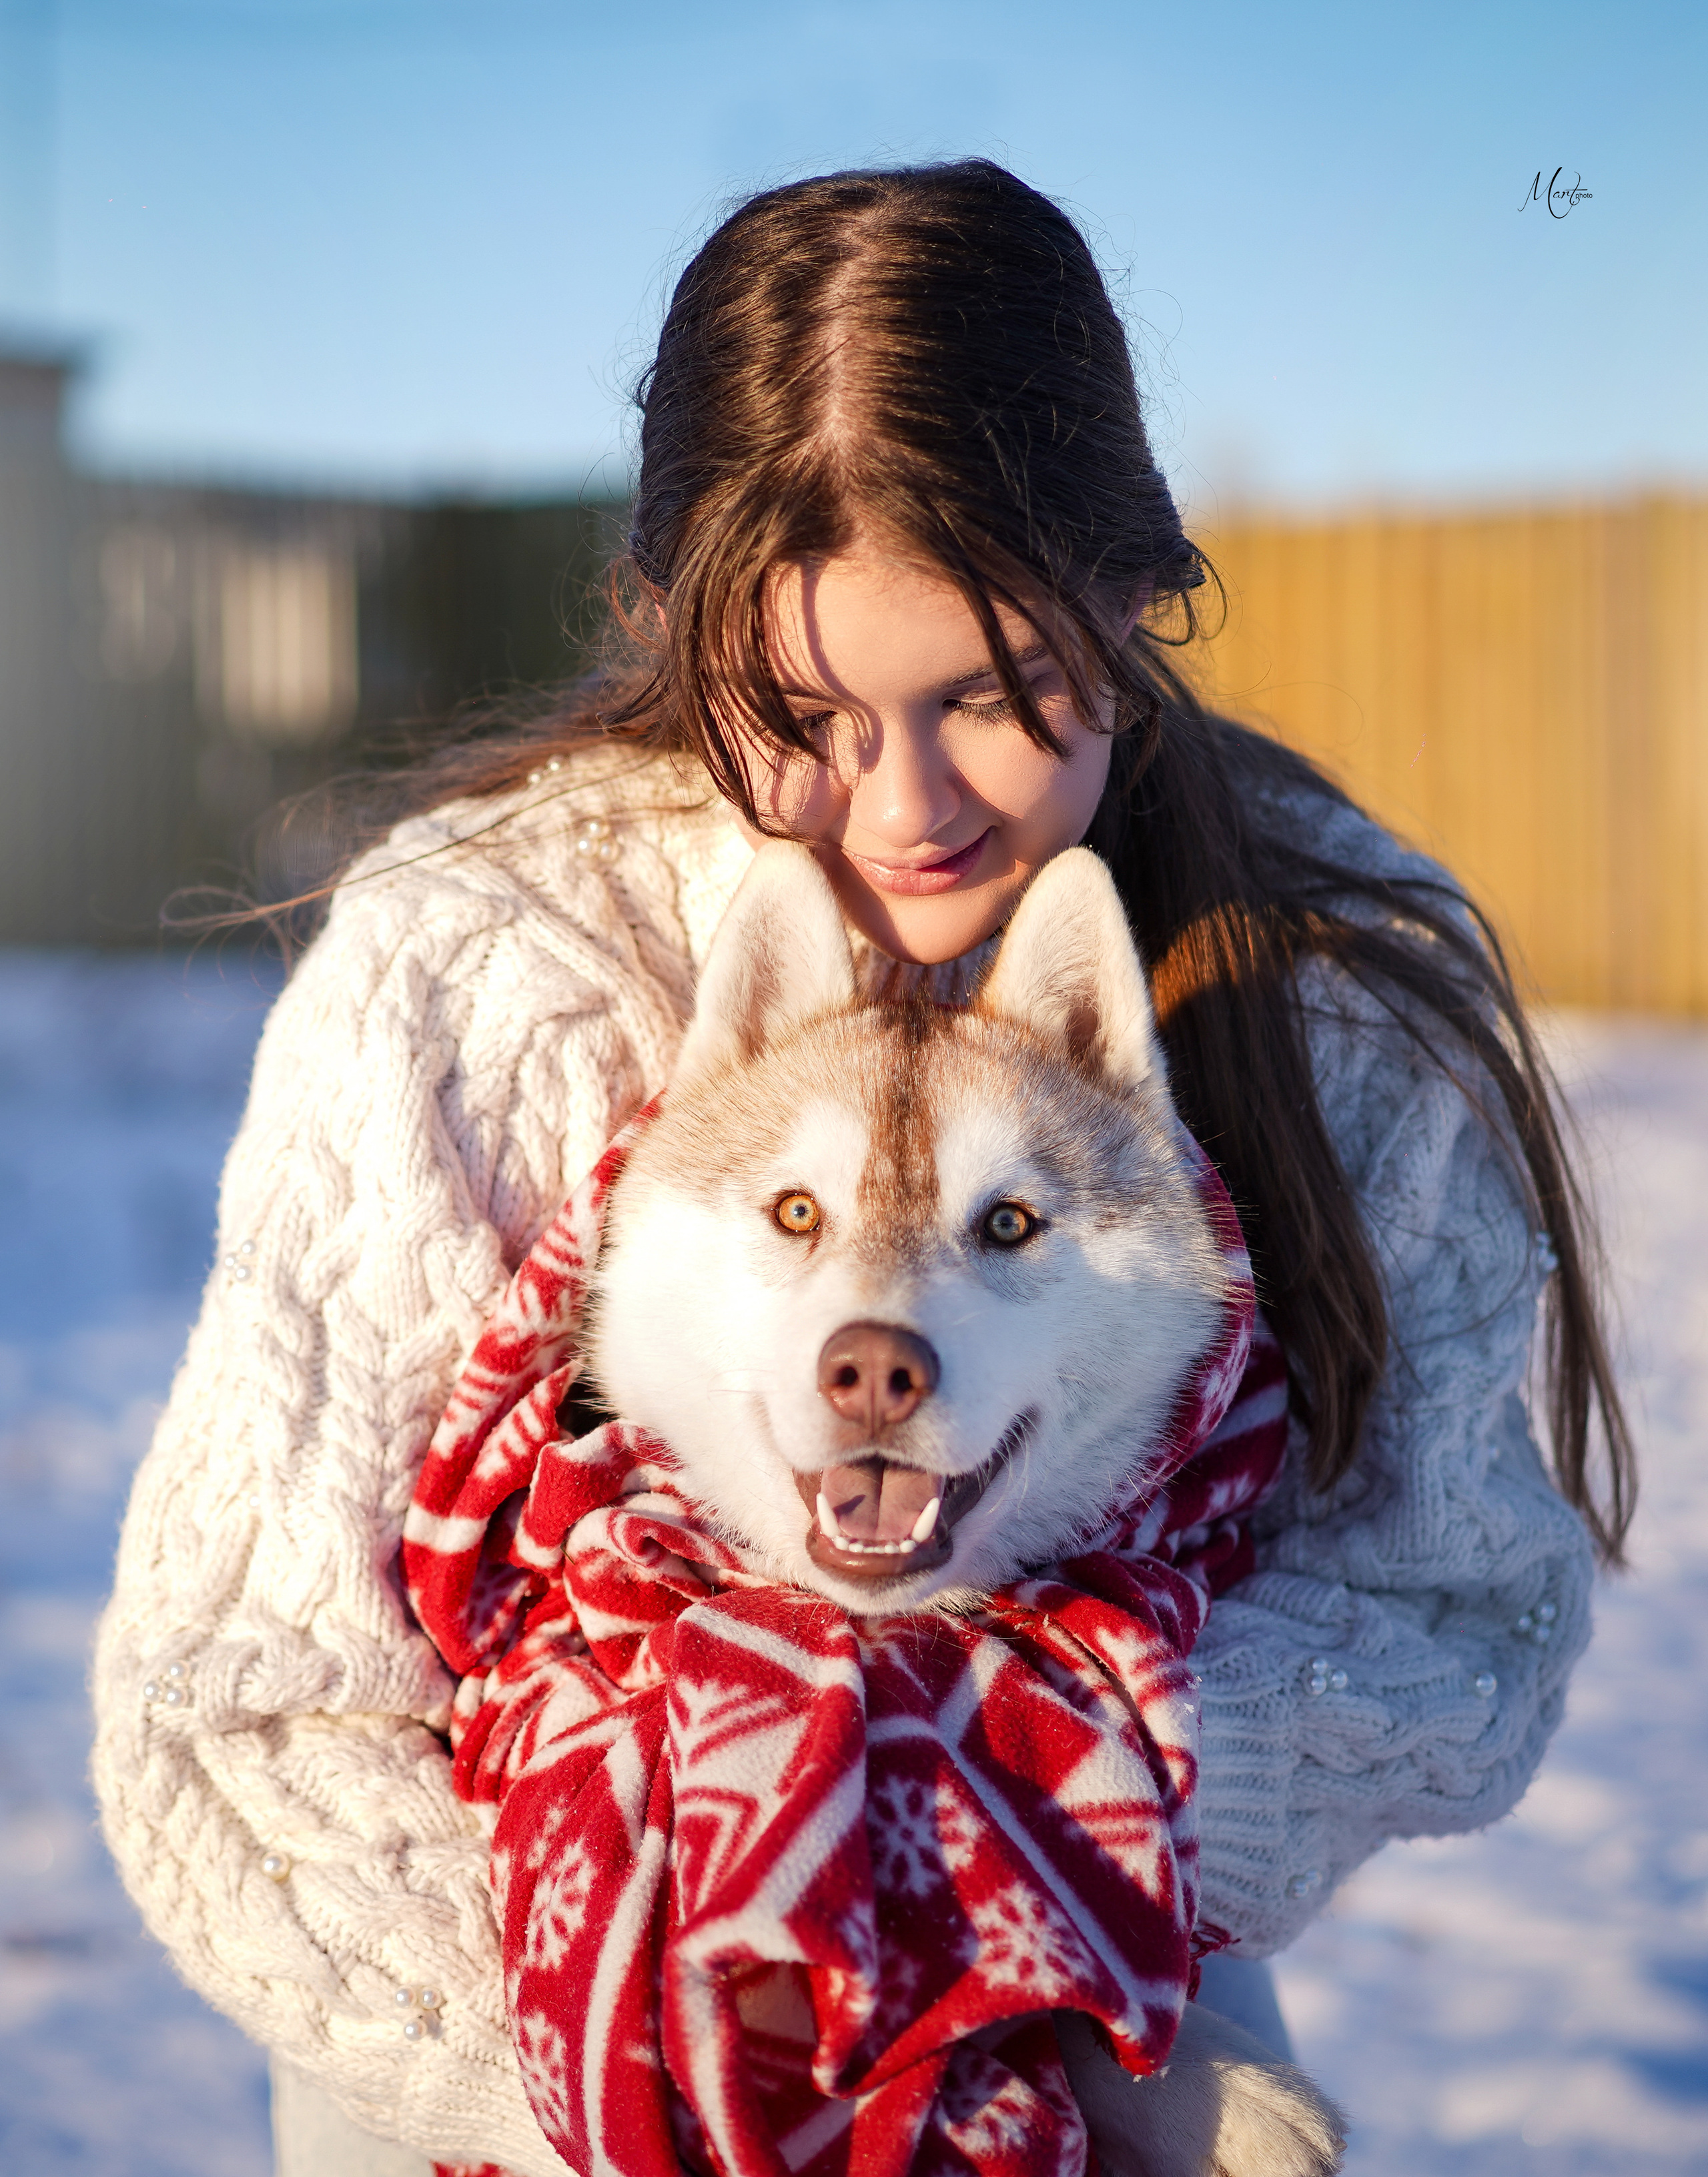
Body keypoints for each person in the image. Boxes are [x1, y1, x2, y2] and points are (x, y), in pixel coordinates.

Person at [92, 159, 1632, 2177]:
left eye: (992, 697)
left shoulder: (1329, 993)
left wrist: (1047, 1807)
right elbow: (238, 1698)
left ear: (1133, 605)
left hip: (1103, 1927)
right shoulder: (478, 968)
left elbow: (1459, 1610)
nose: (903, 812)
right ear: (674, 638)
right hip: (477, 1958)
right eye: (802, 711)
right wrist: (627, 2064)